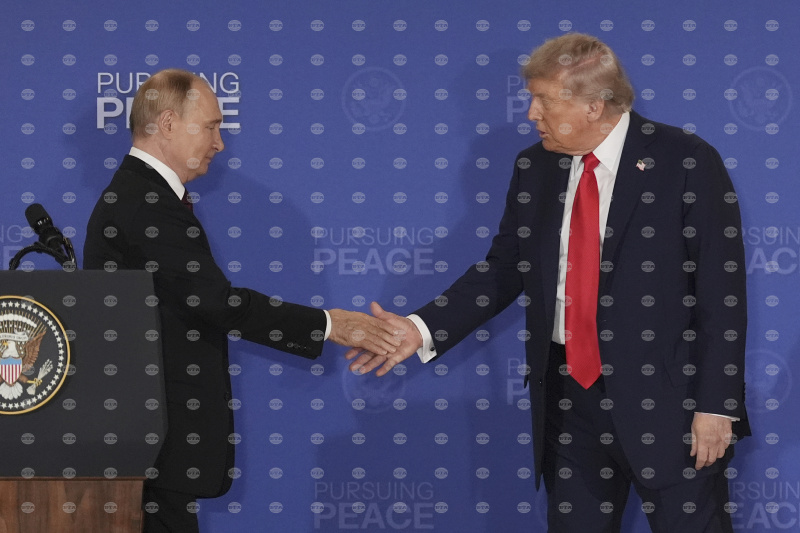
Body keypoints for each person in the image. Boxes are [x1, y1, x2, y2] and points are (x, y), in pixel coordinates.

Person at [347, 34, 749, 532]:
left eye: (543, 100)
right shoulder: (534, 166)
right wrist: (420, 328)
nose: (531, 114)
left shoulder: (684, 159)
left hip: (672, 408)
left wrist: (716, 405)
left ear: (593, 105)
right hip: (568, 404)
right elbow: (504, 269)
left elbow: (721, 292)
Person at [83, 68, 401, 533]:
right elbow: (216, 302)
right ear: (168, 124)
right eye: (211, 127)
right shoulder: (144, 202)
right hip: (152, 442)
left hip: (154, 443)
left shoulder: (145, 196)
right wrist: (331, 324)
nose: (219, 143)